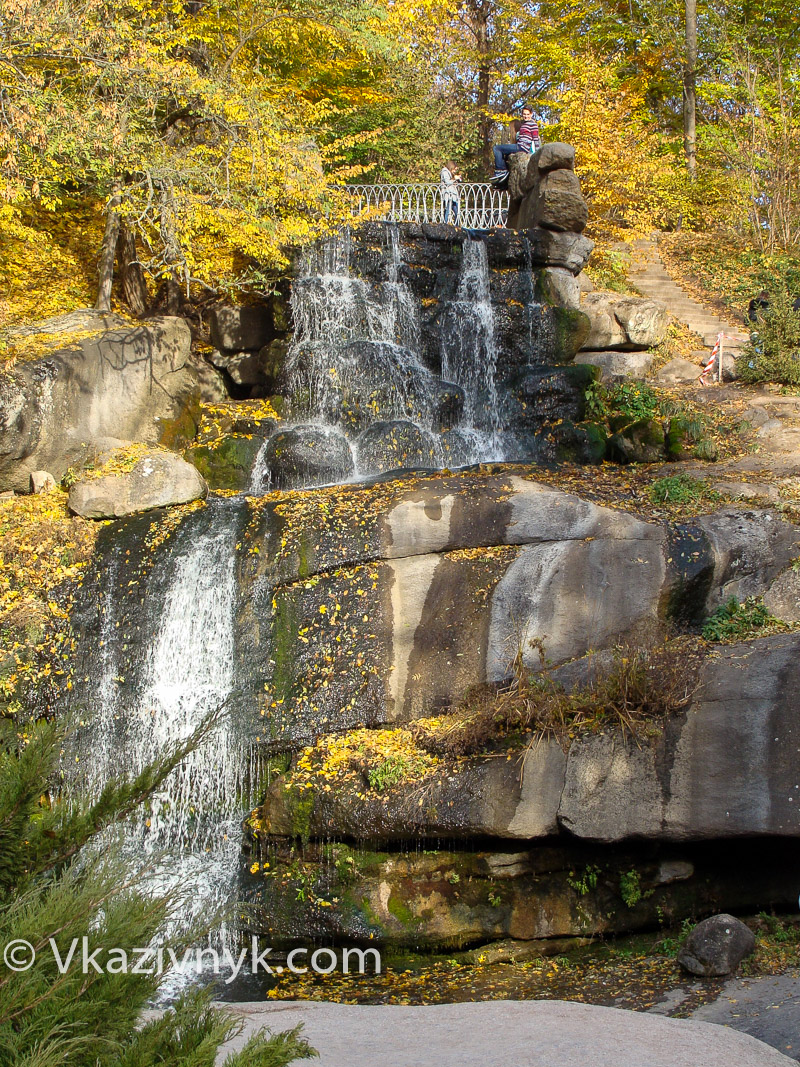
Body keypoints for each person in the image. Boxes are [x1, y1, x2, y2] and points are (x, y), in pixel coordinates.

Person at [490, 106, 542, 183]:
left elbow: (535, 139)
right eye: (524, 114)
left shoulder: (533, 124)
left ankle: (500, 170)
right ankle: (505, 175)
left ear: (531, 114)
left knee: (497, 148)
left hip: (522, 147)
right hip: (519, 145)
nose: (526, 116)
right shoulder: (524, 124)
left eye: (528, 114)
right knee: (505, 156)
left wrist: (537, 155)